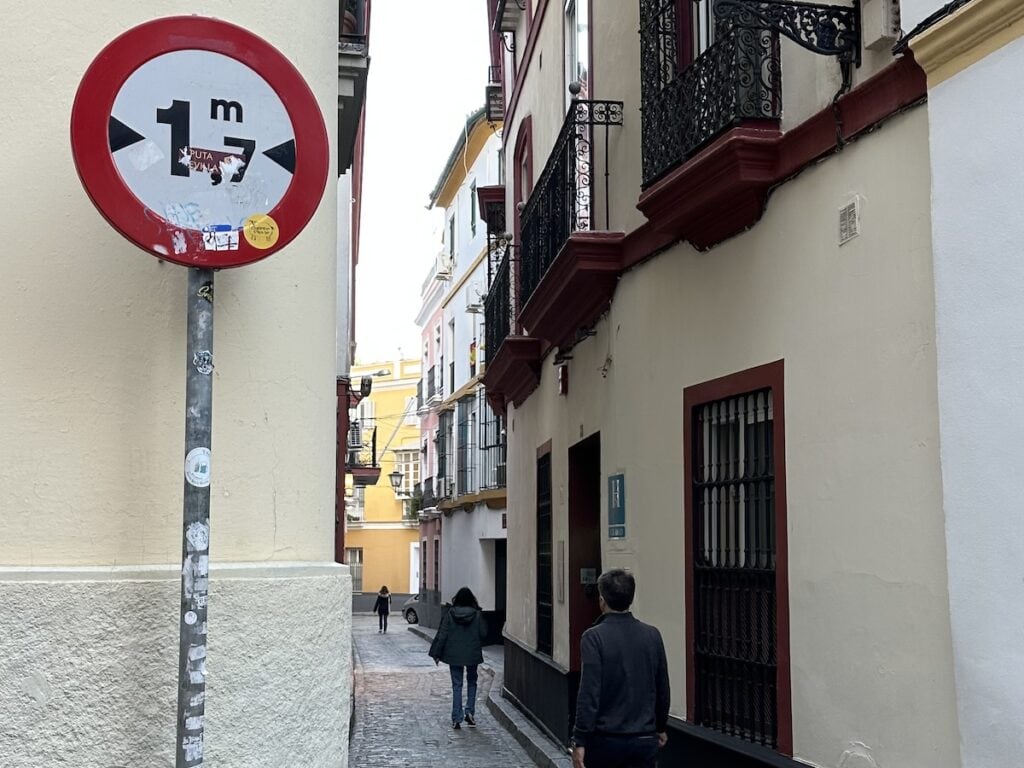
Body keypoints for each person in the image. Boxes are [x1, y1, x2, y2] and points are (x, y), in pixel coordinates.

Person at [570, 569, 670, 768]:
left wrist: (579, 739)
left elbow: (589, 692)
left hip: (606, 740)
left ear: (602, 601)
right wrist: (660, 726)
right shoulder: (652, 635)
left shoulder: (594, 637)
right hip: (644, 738)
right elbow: (662, 688)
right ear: (630, 599)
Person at [428, 586, 488, 730]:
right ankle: (470, 712)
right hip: (472, 654)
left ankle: (456, 718)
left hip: (454, 655)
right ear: (472, 600)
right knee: (472, 682)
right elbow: (484, 634)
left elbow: (442, 635)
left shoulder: (450, 614)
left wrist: (436, 653)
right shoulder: (477, 615)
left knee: (457, 685)